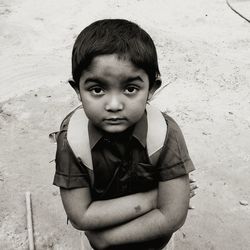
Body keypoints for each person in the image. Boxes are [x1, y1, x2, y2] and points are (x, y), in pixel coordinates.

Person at [53, 19, 196, 250]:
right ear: (77, 90)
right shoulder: (73, 138)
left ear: (152, 88)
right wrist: (154, 198)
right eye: (97, 89)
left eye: (130, 89)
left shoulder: (164, 134)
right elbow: (81, 215)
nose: (114, 104)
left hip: (153, 244)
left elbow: (173, 216)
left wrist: (106, 239)